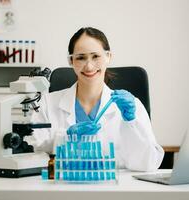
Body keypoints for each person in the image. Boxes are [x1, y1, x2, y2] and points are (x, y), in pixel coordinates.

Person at [26, 27, 164, 171]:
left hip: (116, 190)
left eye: (95, 56)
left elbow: (149, 164)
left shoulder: (132, 106)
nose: (89, 66)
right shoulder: (46, 104)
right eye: (81, 57)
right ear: (71, 61)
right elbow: (30, 152)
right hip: (62, 188)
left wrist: (131, 122)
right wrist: (65, 139)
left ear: (108, 57)